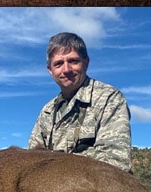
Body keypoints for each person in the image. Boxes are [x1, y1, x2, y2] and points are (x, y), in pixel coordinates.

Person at [28, 32, 132, 173]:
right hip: (52, 189)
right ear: (50, 70)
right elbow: (31, 162)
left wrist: (54, 166)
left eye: (73, 61)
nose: (66, 70)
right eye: (58, 64)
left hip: (101, 188)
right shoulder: (47, 111)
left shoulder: (109, 97)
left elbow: (116, 162)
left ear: (86, 62)